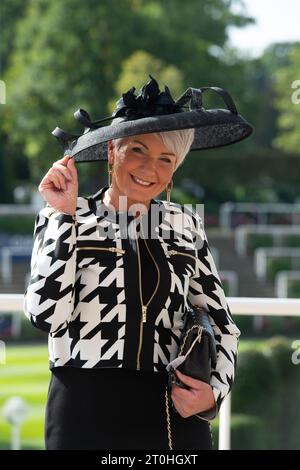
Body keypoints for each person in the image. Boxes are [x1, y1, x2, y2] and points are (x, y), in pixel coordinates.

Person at [23, 76, 252, 450]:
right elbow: (45, 316)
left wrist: (213, 394)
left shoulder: (185, 224)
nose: (151, 169)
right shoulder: (64, 215)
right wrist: (65, 218)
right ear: (113, 150)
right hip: (83, 413)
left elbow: (223, 326)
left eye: (166, 159)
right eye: (138, 151)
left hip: (173, 415)